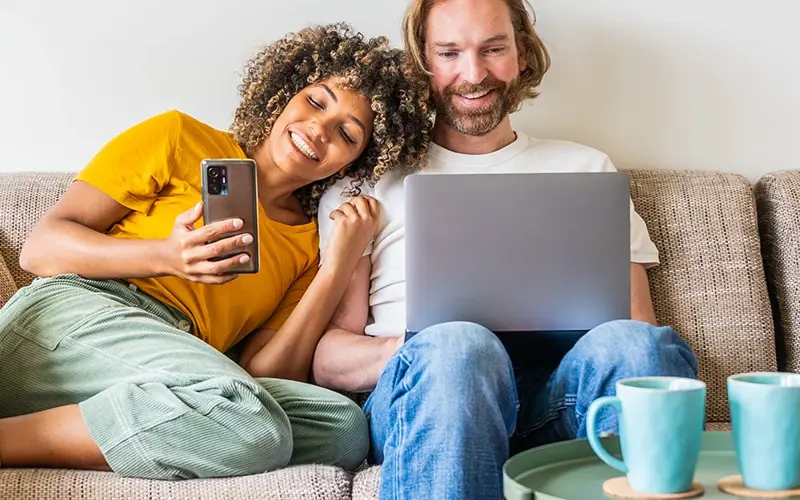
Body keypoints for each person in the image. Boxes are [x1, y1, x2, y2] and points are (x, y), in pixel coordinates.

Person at [0, 23, 431, 480]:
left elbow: (266, 371)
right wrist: (166, 256)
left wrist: (337, 268)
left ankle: (146, 421)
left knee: (341, 428)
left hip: (173, 365)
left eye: (347, 132)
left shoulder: (309, 243)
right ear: (284, 93)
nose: (318, 129)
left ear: (357, 161)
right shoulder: (179, 137)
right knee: (250, 419)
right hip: (73, 318)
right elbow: (40, 248)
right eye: (315, 101)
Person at [312, 1, 699, 499]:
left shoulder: (586, 170)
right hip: (432, 395)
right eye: (449, 53)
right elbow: (328, 359)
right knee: (458, 348)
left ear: (521, 55)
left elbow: (637, 331)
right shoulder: (368, 183)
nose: (473, 74)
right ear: (422, 62)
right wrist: (411, 346)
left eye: (493, 49)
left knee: (637, 347)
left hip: (559, 401)